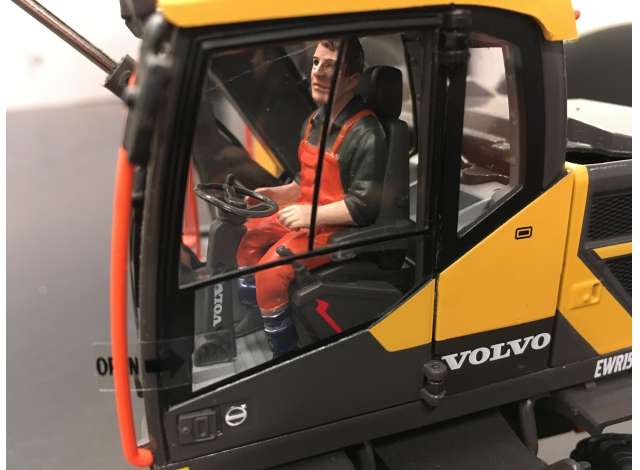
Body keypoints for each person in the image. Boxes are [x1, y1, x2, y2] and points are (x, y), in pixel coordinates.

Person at [236, 37, 387, 357]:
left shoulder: (366, 133)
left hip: (336, 228)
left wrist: (310, 215)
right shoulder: (313, 123)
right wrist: (276, 194)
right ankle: (259, 313)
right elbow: (304, 181)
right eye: (316, 63)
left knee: (271, 269)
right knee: (251, 235)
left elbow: (363, 207)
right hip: (308, 213)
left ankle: (284, 351)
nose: (317, 72)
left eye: (331, 66)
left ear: (352, 80)